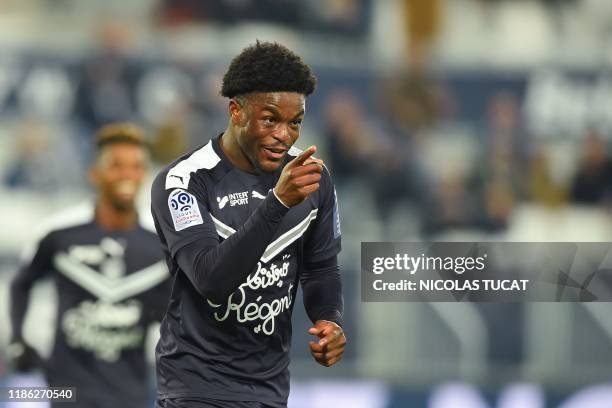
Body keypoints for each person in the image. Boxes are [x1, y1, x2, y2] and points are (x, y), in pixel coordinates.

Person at [150, 41, 346, 408]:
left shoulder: (312, 179)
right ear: (236, 111)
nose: (283, 135)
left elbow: (321, 268)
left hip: (269, 391)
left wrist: (329, 320)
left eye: (295, 123)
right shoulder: (184, 182)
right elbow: (212, 280)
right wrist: (277, 203)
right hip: (196, 388)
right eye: (270, 119)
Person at [8, 123, 171, 408]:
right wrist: (18, 339)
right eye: (116, 165)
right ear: (94, 173)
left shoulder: (160, 246)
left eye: (136, 166)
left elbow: (174, 313)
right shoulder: (60, 234)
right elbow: (22, 283)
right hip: (66, 392)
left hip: (129, 394)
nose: (127, 175)